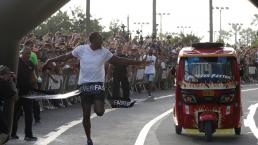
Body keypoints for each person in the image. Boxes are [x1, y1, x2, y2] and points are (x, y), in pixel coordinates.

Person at [43, 32, 149, 145]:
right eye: (99, 40)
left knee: (99, 112)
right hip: (84, 84)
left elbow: (120, 60)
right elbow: (65, 57)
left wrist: (138, 62)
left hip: (98, 84)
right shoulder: (81, 49)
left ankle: (101, 103)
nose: (102, 42)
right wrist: (51, 60)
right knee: (86, 113)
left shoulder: (104, 52)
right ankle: (88, 139)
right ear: (92, 40)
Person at [11, 40, 38, 141]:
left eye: (29, 53)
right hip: (18, 91)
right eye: (26, 53)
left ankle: (28, 135)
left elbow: (32, 76)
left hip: (28, 92)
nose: (28, 55)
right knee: (16, 114)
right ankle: (13, 133)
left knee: (29, 114)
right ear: (22, 53)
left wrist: (35, 86)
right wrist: (15, 90)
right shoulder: (17, 62)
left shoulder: (31, 63)